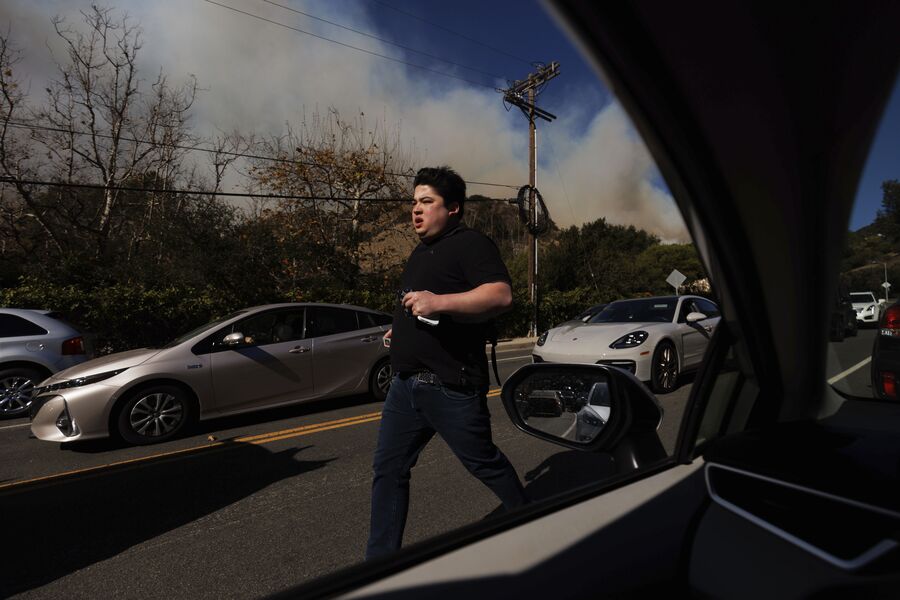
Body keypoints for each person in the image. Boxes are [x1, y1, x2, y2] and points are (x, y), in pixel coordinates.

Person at [366, 166, 528, 559]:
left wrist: (437, 301)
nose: (415, 210)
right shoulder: (420, 252)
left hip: (449, 385)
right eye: (414, 202)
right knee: (388, 471)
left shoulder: (470, 243)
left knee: (484, 463)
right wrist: (398, 330)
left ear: (453, 208)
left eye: (427, 202)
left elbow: (500, 295)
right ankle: (380, 564)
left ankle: (531, 518)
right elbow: (417, 305)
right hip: (405, 387)